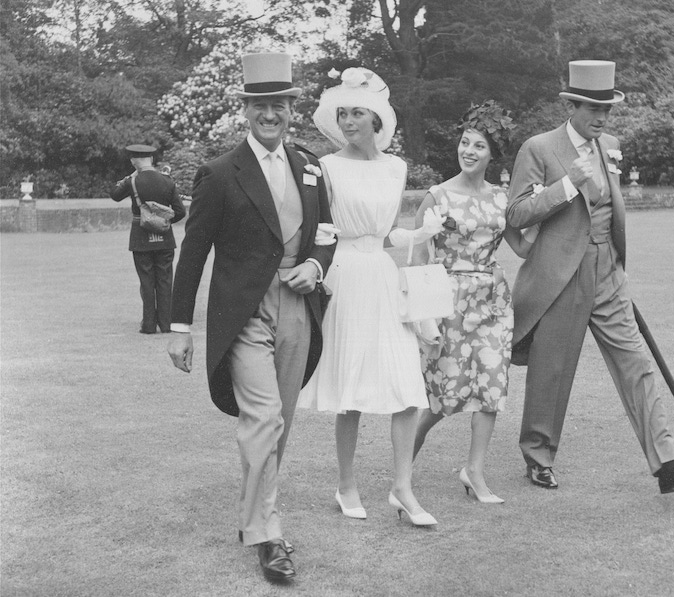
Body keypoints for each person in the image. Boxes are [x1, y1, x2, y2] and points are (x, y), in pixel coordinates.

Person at [506, 60, 674, 494]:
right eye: (592, 108)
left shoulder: (610, 145)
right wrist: (567, 184)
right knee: (553, 370)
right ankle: (539, 456)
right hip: (561, 275)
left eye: (608, 110)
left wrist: (615, 263)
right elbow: (515, 213)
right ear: (573, 106)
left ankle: (668, 463)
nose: (601, 118)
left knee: (636, 364)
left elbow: (608, 207)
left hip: (608, 271)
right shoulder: (539, 148)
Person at [166, 51, 336, 583]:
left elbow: (327, 233)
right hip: (244, 314)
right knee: (262, 417)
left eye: (279, 104)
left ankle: (258, 516)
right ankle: (267, 534)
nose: (271, 114)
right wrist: (179, 328)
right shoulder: (219, 173)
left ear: (291, 108)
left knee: (277, 424)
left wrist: (313, 263)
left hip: (298, 308)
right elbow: (192, 252)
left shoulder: (310, 166)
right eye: (260, 104)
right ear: (246, 110)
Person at [297, 67, 440, 526]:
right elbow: (326, 232)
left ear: (377, 118)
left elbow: (385, 233)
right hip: (344, 279)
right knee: (352, 391)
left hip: (382, 276)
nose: (350, 121)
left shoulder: (396, 167)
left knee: (405, 386)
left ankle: (403, 488)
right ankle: (346, 485)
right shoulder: (326, 167)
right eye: (344, 113)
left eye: (358, 112)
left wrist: (419, 233)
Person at [411, 101, 530, 504]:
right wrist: (422, 314)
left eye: (479, 146)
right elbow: (417, 258)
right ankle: (402, 465)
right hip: (447, 300)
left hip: (493, 301)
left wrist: (563, 223)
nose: (470, 151)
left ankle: (475, 472)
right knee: (442, 396)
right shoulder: (437, 196)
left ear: (492, 154)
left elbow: (523, 247)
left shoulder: (502, 199)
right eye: (465, 143)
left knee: (491, 386)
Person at [110, 144, 186, 334]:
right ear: (151, 160)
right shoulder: (167, 180)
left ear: (133, 161)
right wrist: (164, 222)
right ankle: (166, 324)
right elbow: (180, 211)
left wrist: (130, 177)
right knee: (165, 280)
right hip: (165, 238)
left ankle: (149, 325)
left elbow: (115, 195)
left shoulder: (132, 181)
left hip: (140, 236)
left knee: (146, 281)